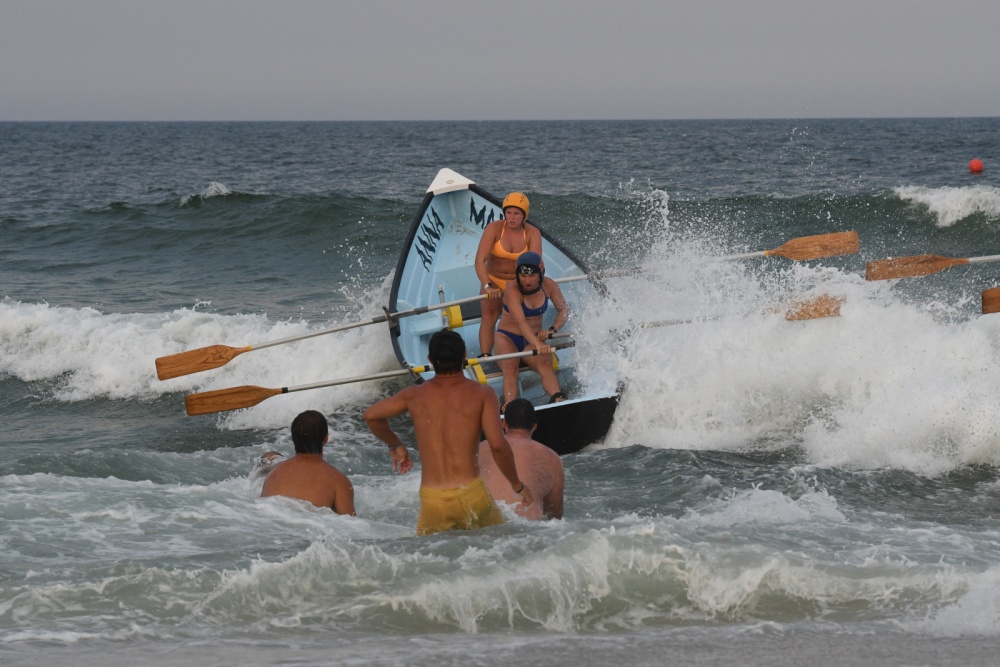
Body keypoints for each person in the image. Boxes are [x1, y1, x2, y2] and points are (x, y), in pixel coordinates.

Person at [363, 329, 535, 536]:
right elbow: (498, 446)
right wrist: (517, 485)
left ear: (430, 359)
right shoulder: (482, 394)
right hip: (470, 494)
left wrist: (395, 444)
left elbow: (371, 416)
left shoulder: (414, 395)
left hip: (433, 500)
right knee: (499, 543)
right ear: (464, 356)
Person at [494, 251, 569, 407]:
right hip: (507, 338)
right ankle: (509, 406)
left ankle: (557, 399)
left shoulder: (549, 285)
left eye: (532, 276)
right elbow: (521, 323)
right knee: (511, 368)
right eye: (523, 276)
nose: (527, 281)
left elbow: (564, 310)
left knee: (545, 363)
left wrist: (552, 330)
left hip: (532, 340)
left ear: (540, 273)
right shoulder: (512, 289)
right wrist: (538, 344)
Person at [474, 192, 543, 357]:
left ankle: (528, 349)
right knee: (489, 316)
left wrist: (528, 289)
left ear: (524, 215)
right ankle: (485, 356)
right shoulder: (494, 228)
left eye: (516, 213)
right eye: (508, 212)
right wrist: (487, 285)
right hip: (493, 281)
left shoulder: (532, 233)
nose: (511, 217)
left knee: (521, 318)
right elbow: (479, 261)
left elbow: (536, 265)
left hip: (517, 285)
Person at [478, 399, 564, 520]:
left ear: (504, 423)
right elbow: (555, 516)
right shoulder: (552, 458)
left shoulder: (479, 449)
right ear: (534, 426)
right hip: (527, 526)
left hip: (484, 521)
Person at [260, 410, 356, 516]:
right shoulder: (339, 481)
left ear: (293, 439)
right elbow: (351, 523)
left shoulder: (272, 474)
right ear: (326, 438)